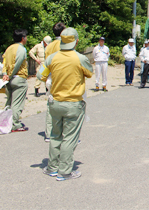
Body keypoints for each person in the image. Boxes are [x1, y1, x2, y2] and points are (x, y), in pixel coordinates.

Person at [40, 27, 93, 181]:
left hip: (55, 102)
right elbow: (89, 73)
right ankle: (64, 171)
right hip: (72, 103)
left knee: (55, 135)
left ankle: (52, 167)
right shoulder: (80, 58)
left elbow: (41, 75)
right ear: (76, 41)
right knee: (69, 137)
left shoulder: (52, 58)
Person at [2, 29, 30, 132]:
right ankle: (15, 124)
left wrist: (5, 74)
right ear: (23, 38)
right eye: (26, 37)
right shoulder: (21, 49)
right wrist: (10, 75)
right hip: (19, 78)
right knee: (17, 103)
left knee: (9, 102)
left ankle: (6, 121)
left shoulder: (9, 49)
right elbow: (18, 63)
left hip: (9, 80)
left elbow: (4, 63)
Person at [44, 22, 66, 142]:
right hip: (62, 77)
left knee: (50, 104)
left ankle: (49, 133)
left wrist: (44, 76)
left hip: (50, 76)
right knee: (64, 103)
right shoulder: (65, 44)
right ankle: (61, 133)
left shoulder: (49, 46)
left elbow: (45, 64)